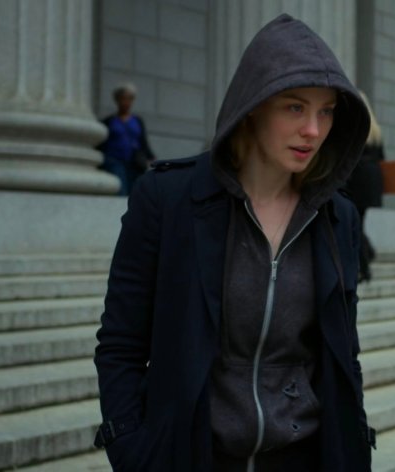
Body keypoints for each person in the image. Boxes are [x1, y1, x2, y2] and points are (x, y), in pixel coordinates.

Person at [93, 15, 375, 471]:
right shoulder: (167, 199)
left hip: (302, 457)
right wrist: (131, 449)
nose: (314, 130)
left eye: (326, 111)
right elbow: (121, 343)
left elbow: (344, 356)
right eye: (294, 107)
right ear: (253, 107)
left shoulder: (335, 215)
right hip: (193, 456)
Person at [345, 92, 384, 282]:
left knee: (355, 225)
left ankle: (365, 266)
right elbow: (381, 157)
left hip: (356, 178)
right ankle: (367, 254)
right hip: (372, 180)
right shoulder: (375, 129)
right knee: (358, 222)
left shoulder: (353, 124)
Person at [97, 83, 156, 196]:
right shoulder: (109, 121)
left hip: (134, 162)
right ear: (117, 100)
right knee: (121, 189)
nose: (126, 102)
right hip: (115, 160)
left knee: (135, 191)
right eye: (123, 99)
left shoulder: (137, 120)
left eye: (129, 99)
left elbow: (143, 141)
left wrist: (151, 157)